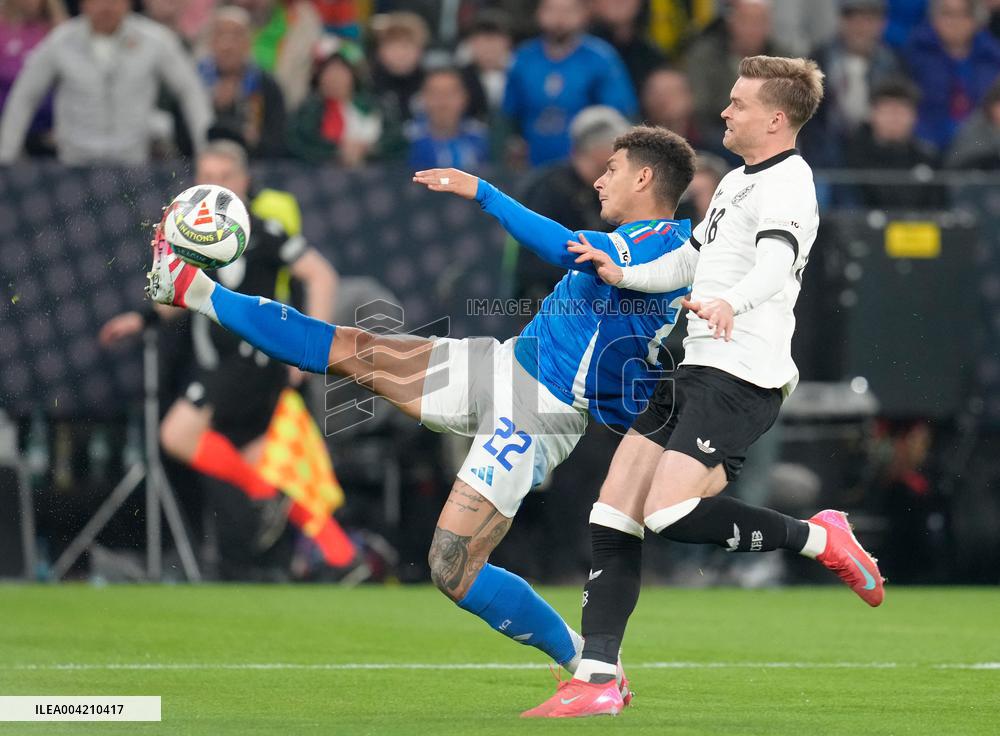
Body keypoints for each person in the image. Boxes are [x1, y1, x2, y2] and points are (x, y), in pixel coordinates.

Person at [145, 125, 697, 695]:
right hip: (501, 365)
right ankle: (196, 291)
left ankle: (584, 661)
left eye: (612, 168)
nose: (600, 178)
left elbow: (564, 248)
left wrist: (484, 192)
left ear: (644, 177)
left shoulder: (670, 245)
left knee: (452, 566)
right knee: (349, 351)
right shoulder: (630, 238)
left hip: (540, 411)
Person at [522, 55, 885, 719]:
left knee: (668, 513)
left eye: (739, 103)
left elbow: (776, 263)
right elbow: (692, 262)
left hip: (741, 374)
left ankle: (819, 539)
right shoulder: (735, 183)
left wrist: (732, 304)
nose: (726, 111)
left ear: (776, 118)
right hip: (692, 367)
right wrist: (621, 272)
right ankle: (598, 676)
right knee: (612, 513)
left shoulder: (789, 185)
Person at [100, 140, 343, 566]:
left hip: (252, 361)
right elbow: (176, 296)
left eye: (224, 178)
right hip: (223, 365)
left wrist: (311, 352)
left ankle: (271, 501)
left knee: (177, 434)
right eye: (205, 177)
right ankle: (340, 557)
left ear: (244, 183)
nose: (214, 187)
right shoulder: (193, 238)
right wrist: (143, 319)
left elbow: (321, 276)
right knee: (257, 460)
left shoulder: (264, 232)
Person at [0, 0, 210, 164]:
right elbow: (24, 96)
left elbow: (190, 90)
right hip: (74, 164)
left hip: (133, 164)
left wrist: (206, 149)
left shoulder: (155, 40)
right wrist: (6, 156)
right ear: (83, 3)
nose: (106, 6)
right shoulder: (61, 42)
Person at [502, 0, 637, 165]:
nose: (559, 18)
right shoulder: (523, 58)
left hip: (587, 168)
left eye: (568, 10)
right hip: (532, 167)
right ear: (539, 13)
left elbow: (618, 116)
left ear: (583, 14)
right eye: (552, 9)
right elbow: (507, 116)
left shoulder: (601, 58)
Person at [903, 0, 1000, 150]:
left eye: (964, 15)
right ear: (934, 18)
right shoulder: (915, 53)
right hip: (925, 142)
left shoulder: (993, 58)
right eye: (947, 14)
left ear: (977, 19)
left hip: (981, 146)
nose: (955, 22)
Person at [199, 6, 287, 159]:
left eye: (236, 35)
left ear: (249, 42)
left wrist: (252, 138)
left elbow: (278, 143)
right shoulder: (195, 81)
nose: (227, 45)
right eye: (221, 34)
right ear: (211, 42)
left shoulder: (266, 85)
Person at [405, 66, 490, 171]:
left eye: (450, 93)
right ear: (422, 97)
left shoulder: (482, 137)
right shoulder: (406, 140)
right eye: (435, 93)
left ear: (465, 97)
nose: (442, 101)